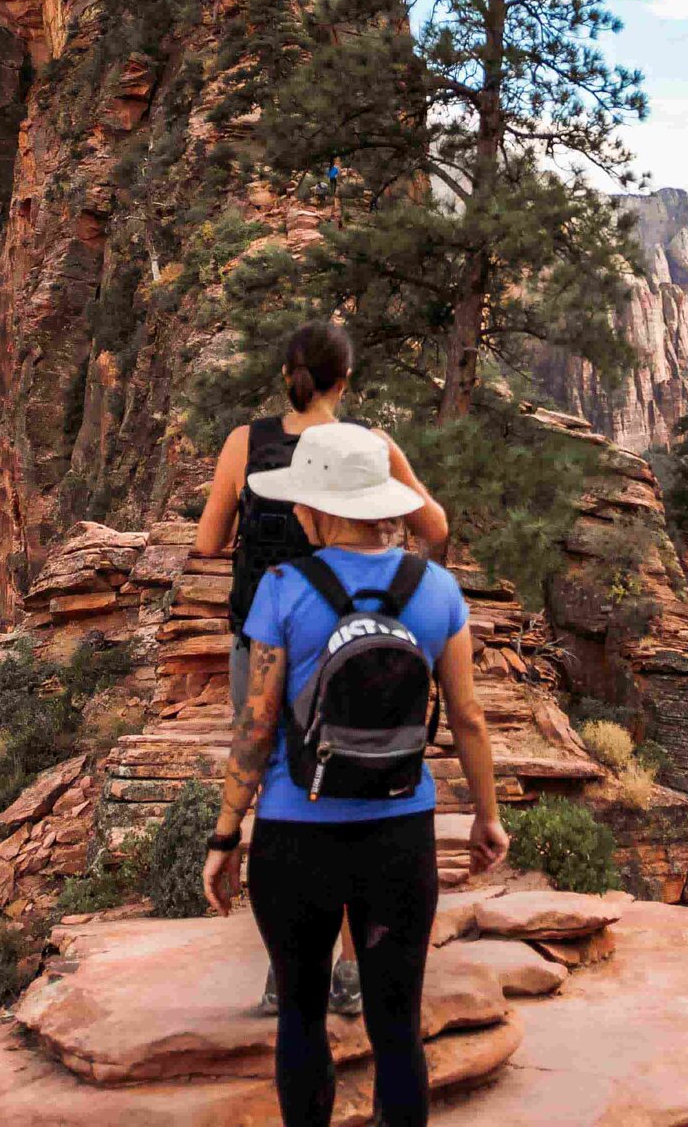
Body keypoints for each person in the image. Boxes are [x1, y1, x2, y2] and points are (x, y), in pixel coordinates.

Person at [202, 422, 509, 1127]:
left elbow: (254, 730)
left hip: (294, 836)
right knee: (397, 1025)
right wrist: (487, 817)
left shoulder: (280, 588)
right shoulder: (435, 588)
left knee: (303, 1019)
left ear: (317, 508)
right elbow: (467, 715)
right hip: (401, 835)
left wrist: (225, 836)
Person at [194, 320, 446, 1014]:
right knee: (353, 784)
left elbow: (209, 540)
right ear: (346, 381)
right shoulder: (371, 447)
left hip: (265, 637)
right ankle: (350, 967)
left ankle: (288, 967)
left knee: (279, 787)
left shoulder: (246, 442)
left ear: (287, 375)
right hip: (357, 638)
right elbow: (437, 529)